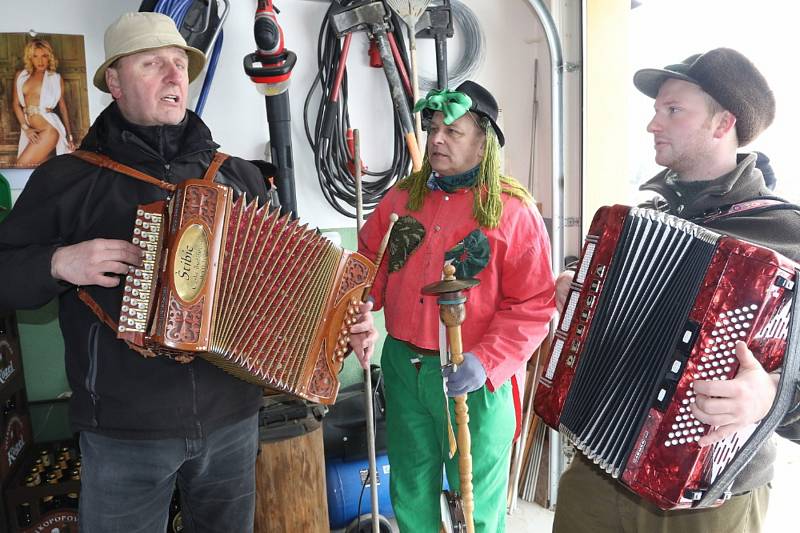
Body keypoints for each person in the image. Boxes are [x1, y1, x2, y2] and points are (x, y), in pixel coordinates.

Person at [0, 12, 376, 532]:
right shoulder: (69, 179)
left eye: (180, 64)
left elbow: (289, 290)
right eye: (154, 64)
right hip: (123, 430)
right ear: (114, 80)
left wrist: (342, 324)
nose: (175, 76)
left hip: (233, 422)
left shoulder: (239, 176)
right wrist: (61, 263)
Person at [552, 48, 800, 533]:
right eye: (654, 111)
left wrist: (771, 396)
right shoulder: (642, 221)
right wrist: (581, 298)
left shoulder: (783, 233)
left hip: (708, 496)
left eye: (672, 110)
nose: (653, 125)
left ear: (722, 123)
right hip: (599, 469)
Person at [358, 81, 556, 532]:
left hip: (474, 376)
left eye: (453, 131)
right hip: (403, 366)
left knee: (475, 504)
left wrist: (486, 362)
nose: (437, 139)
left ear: (484, 141)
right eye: (432, 128)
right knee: (409, 487)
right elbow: (369, 263)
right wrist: (360, 302)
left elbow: (533, 305)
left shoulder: (511, 210)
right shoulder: (401, 198)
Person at [12, 38, 75, 167]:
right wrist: (26, 129)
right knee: (39, 171)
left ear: (49, 57)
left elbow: (62, 107)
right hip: (30, 132)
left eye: (44, 56)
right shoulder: (21, 76)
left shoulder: (55, 78)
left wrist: (69, 136)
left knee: (21, 165)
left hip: (49, 129)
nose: (40, 61)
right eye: (35, 56)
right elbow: (16, 104)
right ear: (30, 58)